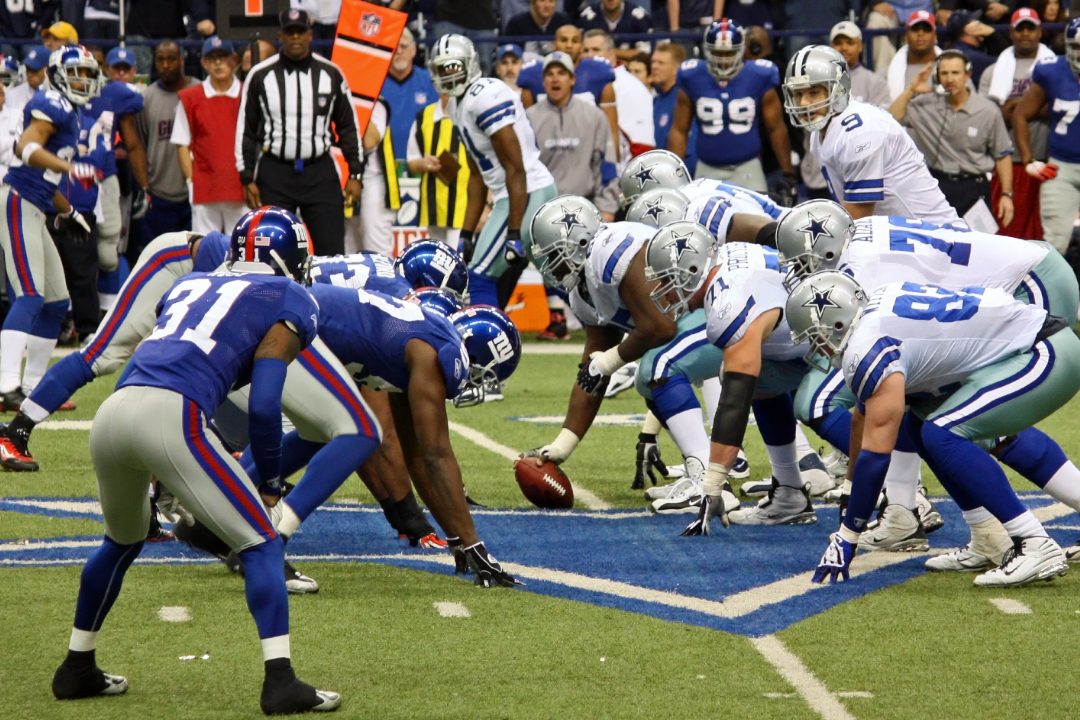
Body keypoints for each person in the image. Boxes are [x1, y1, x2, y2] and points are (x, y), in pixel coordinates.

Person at [49, 202, 342, 715]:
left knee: (121, 541)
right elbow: (268, 400)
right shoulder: (288, 294)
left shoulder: (189, 285)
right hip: (172, 415)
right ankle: (281, 683)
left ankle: (77, 666)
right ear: (287, 257)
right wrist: (270, 481)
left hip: (117, 412)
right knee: (263, 543)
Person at [774, 200, 1079, 551]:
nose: (801, 272)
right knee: (930, 413)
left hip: (1030, 286)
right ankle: (963, 526)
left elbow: (876, 392)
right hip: (1033, 271)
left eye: (803, 262)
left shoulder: (861, 274)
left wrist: (854, 488)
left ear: (826, 249)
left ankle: (999, 533)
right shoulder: (861, 237)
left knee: (967, 425)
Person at [786, 271, 1078, 588]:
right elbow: (864, 416)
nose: (819, 349)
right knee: (922, 425)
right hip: (1030, 341)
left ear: (837, 325)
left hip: (1040, 350)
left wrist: (848, 535)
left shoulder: (865, 348)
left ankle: (1034, 541)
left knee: (943, 433)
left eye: (817, 338)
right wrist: (849, 489)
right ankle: (989, 536)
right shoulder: (877, 307)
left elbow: (876, 456)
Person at [0, 230, 230, 471]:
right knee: (101, 355)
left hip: (196, 273)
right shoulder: (259, 261)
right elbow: (209, 247)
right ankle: (16, 432)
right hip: (174, 263)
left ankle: (217, 443)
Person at [0, 45, 102, 413]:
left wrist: (71, 211)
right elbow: (26, 148)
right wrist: (67, 166)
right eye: (77, 73)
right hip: (17, 200)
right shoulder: (51, 104)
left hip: (37, 204)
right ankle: (5, 384)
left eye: (88, 74)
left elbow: (46, 178)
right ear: (58, 74)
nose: (83, 80)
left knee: (57, 301)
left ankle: (33, 386)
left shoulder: (71, 115)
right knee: (29, 293)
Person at [428, 33, 557, 311]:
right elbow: (476, 175)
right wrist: (466, 232)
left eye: (454, 66)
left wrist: (513, 231)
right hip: (520, 192)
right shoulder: (459, 105)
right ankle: (609, 342)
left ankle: (487, 349)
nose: (449, 74)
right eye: (443, 68)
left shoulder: (484, 95)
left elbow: (515, 167)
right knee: (562, 276)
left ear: (470, 63)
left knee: (479, 275)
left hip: (524, 193)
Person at [236, 8, 364, 256]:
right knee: (270, 249)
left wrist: (356, 173)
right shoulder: (260, 75)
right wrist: (246, 176)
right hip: (275, 171)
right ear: (280, 36)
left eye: (300, 31)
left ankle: (327, 295)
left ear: (310, 35)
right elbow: (246, 129)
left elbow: (348, 125)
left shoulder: (331, 74)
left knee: (331, 251)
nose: (295, 37)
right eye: (289, 32)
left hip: (319, 171)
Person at [783, 44, 959, 223]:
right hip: (897, 234)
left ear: (839, 89)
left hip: (936, 236)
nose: (804, 102)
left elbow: (856, 218)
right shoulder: (820, 132)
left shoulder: (859, 131)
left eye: (814, 92)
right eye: (798, 93)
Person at [667, 19, 795, 198]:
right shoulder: (692, 76)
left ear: (741, 50)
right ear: (707, 50)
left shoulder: (758, 76)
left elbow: (776, 129)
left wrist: (788, 172)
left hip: (748, 168)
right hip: (707, 169)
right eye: (718, 52)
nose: (723, 60)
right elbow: (679, 130)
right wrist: (673, 175)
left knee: (758, 221)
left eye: (729, 53)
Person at [889, 49, 1014, 222]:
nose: (949, 79)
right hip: (936, 185)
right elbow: (891, 118)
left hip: (974, 188)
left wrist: (1006, 194)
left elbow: (1002, 155)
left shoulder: (988, 111)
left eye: (955, 73)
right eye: (944, 73)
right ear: (937, 77)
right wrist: (911, 89)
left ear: (968, 74)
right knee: (937, 244)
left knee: (977, 244)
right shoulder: (926, 105)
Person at [979, 8, 1056, 240]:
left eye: (1030, 28)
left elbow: (1062, 107)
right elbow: (983, 118)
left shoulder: (1055, 69)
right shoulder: (993, 72)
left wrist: (1023, 107)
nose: (1025, 34)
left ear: (1039, 32)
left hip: (1044, 158)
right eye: (1020, 28)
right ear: (1011, 33)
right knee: (1006, 229)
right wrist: (1017, 110)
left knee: (1043, 230)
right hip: (1005, 161)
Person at [1013, 18, 1080, 255]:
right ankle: (1054, 293)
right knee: (1053, 245)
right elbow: (1020, 114)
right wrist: (1028, 160)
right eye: (1078, 46)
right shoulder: (1052, 71)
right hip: (1060, 167)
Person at [527, 52, 619, 219]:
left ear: (572, 80)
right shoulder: (528, 118)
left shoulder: (594, 115)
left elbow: (606, 166)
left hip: (586, 207)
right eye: (550, 74)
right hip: (541, 210)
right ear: (543, 82)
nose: (555, 79)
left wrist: (607, 210)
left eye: (561, 73)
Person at [172, 37, 246, 235]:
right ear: (204, 63)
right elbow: (181, 144)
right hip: (205, 187)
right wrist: (191, 182)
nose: (218, 63)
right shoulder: (190, 98)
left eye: (223, 57)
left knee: (243, 251)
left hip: (242, 187)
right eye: (212, 58)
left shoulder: (248, 93)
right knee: (205, 249)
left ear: (234, 60)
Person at [88, 46, 149, 279]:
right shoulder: (54, 95)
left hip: (105, 176)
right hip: (70, 175)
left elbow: (132, 143)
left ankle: (111, 303)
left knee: (109, 249)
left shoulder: (117, 93)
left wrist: (144, 186)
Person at [133, 40, 197, 261]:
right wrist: (145, 185)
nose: (166, 65)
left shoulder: (198, 91)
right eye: (161, 59)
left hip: (194, 194)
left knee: (194, 261)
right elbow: (139, 145)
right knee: (160, 261)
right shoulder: (146, 98)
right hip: (159, 193)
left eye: (171, 59)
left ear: (181, 60)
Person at [517, 24, 620, 160]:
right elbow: (526, 131)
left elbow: (611, 127)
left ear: (582, 46)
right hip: (546, 153)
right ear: (554, 44)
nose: (569, 45)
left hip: (587, 153)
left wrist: (614, 162)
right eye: (564, 40)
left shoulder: (599, 73)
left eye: (575, 41)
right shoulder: (533, 76)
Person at [406, 95, 472, 247]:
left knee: (457, 260)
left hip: (465, 205)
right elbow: (412, 161)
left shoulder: (472, 114)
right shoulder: (423, 117)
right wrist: (423, 163)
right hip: (433, 206)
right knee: (438, 262)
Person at [582, 29, 655, 158]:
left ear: (611, 54)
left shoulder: (631, 87)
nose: (589, 56)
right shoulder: (581, 83)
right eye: (586, 51)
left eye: (596, 50)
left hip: (622, 167)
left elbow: (642, 143)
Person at [380, 27, 436, 166]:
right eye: (394, 47)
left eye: (403, 46)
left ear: (414, 50)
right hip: (384, 163)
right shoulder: (375, 82)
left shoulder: (429, 81)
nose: (398, 51)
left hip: (422, 161)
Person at [651, 42, 697, 176]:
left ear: (677, 69)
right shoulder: (657, 100)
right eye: (653, 62)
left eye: (661, 63)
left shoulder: (685, 100)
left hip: (679, 176)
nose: (654, 66)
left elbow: (689, 150)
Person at [883, 10, 942, 101]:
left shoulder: (952, 71)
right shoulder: (886, 74)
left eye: (926, 29)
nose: (920, 34)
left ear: (935, 36)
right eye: (915, 29)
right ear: (906, 37)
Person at [577, 0, 653, 59]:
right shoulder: (587, 16)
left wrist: (607, 52)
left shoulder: (639, 16)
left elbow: (644, 54)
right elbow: (580, 51)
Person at [941, 10, 995, 86]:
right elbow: (1008, 68)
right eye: (975, 22)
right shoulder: (969, 56)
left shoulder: (955, 49)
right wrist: (994, 34)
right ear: (969, 29)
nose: (980, 24)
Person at [505, 0, 572, 56]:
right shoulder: (516, 24)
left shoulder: (564, 23)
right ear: (533, 3)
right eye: (542, 1)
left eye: (551, 1)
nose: (547, 6)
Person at [5, 44, 48, 117]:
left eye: (35, 70)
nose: (30, 74)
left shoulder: (57, 92)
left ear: (47, 70)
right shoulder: (12, 94)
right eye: (28, 70)